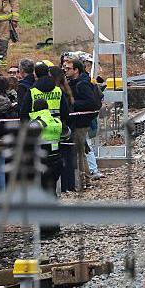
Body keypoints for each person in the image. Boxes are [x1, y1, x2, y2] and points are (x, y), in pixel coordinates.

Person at [64, 58, 100, 191]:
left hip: (81, 121)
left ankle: (85, 179)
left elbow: (90, 102)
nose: (66, 71)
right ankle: (85, 178)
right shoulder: (77, 82)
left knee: (80, 151)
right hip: (79, 120)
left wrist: (73, 104)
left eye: (68, 68)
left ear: (76, 70)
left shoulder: (82, 84)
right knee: (81, 150)